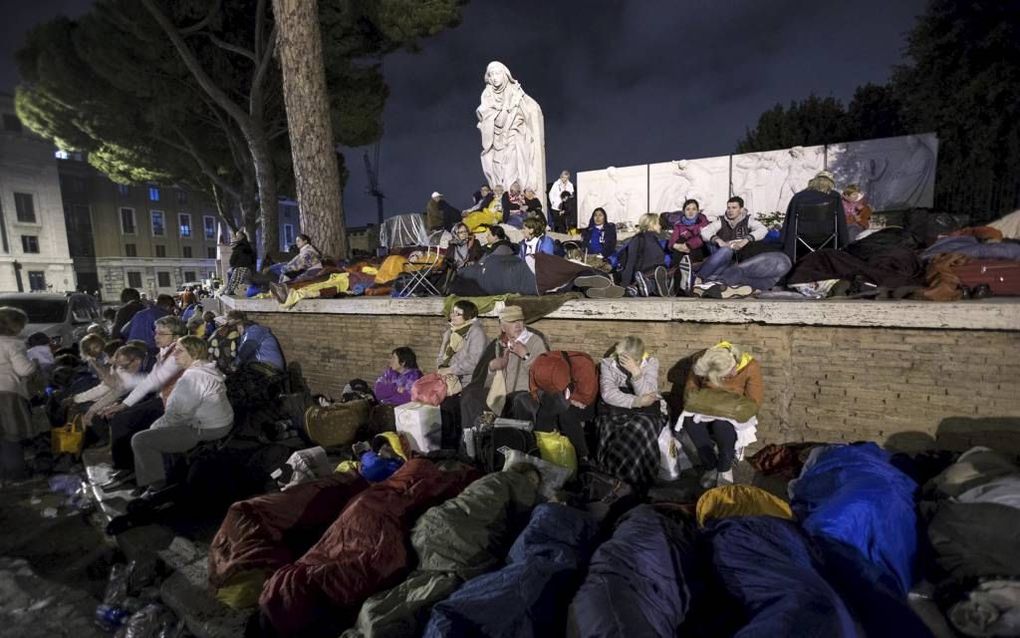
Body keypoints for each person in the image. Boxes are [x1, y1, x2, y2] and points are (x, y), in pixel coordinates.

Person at [130, 335, 234, 498]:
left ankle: (156, 488)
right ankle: (170, 471)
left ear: (193, 353)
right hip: (221, 422)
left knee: (141, 440)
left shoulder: (192, 378)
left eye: (179, 351)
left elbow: (177, 415)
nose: (174, 355)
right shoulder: (207, 368)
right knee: (160, 426)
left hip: (207, 429)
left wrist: (154, 429)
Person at [97, 315, 187, 483]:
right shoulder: (164, 351)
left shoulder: (177, 354)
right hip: (163, 399)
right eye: (156, 332)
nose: (156, 336)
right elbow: (149, 381)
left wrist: (123, 403)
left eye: (161, 333)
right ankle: (127, 466)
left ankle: (127, 468)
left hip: (173, 404)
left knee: (123, 420)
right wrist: (123, 404)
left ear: (176, 337)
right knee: (121, 418)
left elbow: (154, 381)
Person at [681, 342, 763, 488]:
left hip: (732, 409)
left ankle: (725, 468)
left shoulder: (750, 366)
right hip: (705, 405)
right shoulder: (703, 360)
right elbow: (690, 391)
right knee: (690, 422)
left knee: (722, 426)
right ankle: (710, 465)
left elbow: (754, 402)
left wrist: (728, 409)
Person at [460, 305, 547, 432]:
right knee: (470, 395)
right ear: (502, 327)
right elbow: (488, 383)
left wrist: (525, 356)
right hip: (501, 395)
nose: (518, 325)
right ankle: (472, 440)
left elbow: (543, 375)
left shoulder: (535, 341)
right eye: (512, 322)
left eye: (520, 320)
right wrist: (492, 368)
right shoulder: (498, 344)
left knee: (519, 400)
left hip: (525, 395)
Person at [595, 336, 663, 487]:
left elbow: (648, 393)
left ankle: (638, 477)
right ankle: (614, 476)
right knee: (613, 428)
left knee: (640, 428)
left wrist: (636, 373)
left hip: (645, 412)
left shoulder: (651, 363)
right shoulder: (608, 364)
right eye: (621, 359)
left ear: (638, 359)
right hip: (616, 407)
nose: (621, 363)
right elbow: (608, 393)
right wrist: (636, 402)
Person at [515, 350, 598, 463]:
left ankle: (583, 456)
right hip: (551, 397)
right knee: (523, 401)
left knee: (565, 413)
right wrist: (544, 396)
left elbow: (587, 397)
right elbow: (534, 391)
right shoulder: (539, 365)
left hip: (587, 400)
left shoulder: (583, 365)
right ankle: (539, 448)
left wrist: (569, 399)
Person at [476, 60, 545, 194]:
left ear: (505, 74)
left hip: (514, 135)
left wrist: (515, 107)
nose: (495, 78)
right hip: (497, 140)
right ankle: (503, 198)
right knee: (497, 169)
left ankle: (514, 196)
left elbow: (529, 109)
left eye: (498, 73)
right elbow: (490, 118)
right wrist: (505, 109)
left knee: (512, 168)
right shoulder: (487, 94)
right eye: (492, 75)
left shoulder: (515, 91)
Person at [436, 301, 487, 440]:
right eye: (452, 312)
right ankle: (448, 448)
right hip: (450, 382)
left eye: (457, 314)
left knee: (458, 414)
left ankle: (462, 447)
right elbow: (441, 358)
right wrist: (442, 368)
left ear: (468, 316)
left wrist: (450, 370)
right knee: (444, 410)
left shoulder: (476, 332)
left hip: (468, 384)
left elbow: (474, 362)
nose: (452, 316)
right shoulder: (451, 332)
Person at [0, 307, 39, 482]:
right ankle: (16, 474)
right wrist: (35, 363)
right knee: (10, 436)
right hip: (6, 395)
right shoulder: (13, 344)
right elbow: (23, 370)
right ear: (14, 326)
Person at [780, 171, 847, 263]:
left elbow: (790, 220)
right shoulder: (834, 196)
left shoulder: (799, 197)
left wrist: (786, 242)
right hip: (828, 237)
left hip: (801, 237)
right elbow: (840, 221)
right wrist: (844, 242)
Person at [620, 213, 669, 297]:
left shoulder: (658, 239)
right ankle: (642, 287)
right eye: (658, 223)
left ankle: (643, 288)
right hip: (645, 274)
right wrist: (624, 286)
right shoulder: (638, 239)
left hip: (658, 273)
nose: (660, 226)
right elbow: (630, 263)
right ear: (651, 224)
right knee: (651, 281)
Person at [223, 231, 256, 296]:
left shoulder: (239, 247)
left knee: (230, 274)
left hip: (240, 268)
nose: (236, 238)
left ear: (242, 237)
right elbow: (253, 259)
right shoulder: (248, 247)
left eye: (238, 236)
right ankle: (230, 289)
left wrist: (233, 265)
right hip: (248, 269)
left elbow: (232, 260)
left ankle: (230, 290)